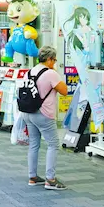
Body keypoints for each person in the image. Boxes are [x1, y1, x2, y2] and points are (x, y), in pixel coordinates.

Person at [19, 46, 69, 190]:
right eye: (54, 60)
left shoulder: (30, 71)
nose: (54, 63)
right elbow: (64, 91)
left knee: (34, 144)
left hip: (28, 113)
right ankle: (50, 179)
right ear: (49, 59)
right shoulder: (50, 73)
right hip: (44, 114)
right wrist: (56, 75)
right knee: (53, 144)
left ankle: (32, 176)